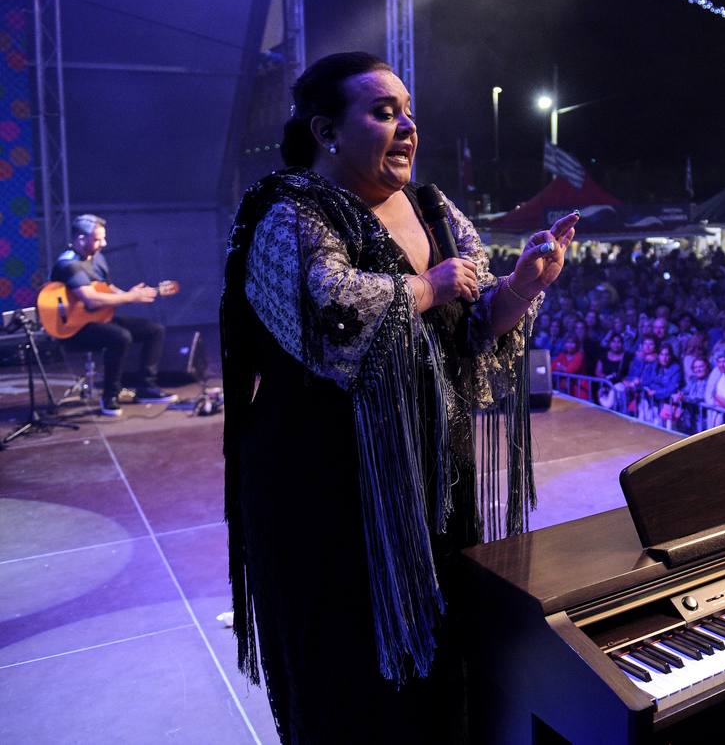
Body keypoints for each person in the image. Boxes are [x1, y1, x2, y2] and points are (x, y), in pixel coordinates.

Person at [220, 53, 577, 744]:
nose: (407, 125)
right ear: (328, 130)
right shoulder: (289, 213)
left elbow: (471, 331)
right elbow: (330, 320)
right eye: (383, 112)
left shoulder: (437, 209)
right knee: (355, 669)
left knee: (448, 652)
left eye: (407, 110)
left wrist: (525, 285)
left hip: (434, 477)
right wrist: (426, 287)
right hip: (328, 488)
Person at [50, 214, 179, 415]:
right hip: (73, 327)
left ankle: (146, 387)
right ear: (81, 239)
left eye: (103, 238)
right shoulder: (68, 264)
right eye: (98, 239)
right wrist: (130, 298)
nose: (104, 243)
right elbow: (91, 299)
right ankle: (110, 395)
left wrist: (130, 294)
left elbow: (105, 289)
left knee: (154, 330)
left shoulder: (97, 258)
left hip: (96, 318)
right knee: (120, 337)